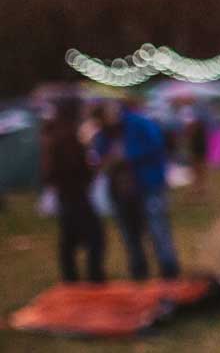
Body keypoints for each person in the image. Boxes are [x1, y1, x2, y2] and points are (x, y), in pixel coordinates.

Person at [92, 98, 180, 280]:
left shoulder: (139, 124)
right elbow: (100, 154)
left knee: (157, 229)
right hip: (121, 189)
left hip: (148, 184)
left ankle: (169, 269)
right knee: (130, 233)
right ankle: (139, 271)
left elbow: (157, 144)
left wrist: (128, 156)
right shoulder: (104, 133)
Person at [41, 98, 106, 283]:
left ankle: (71, 279)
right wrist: (90, 170)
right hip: (75, 193)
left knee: (69, 239)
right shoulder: (67, 137)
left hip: (66, 193)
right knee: (94, 238)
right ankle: (94, 277)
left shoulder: (53, 135)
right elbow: (74, 167)